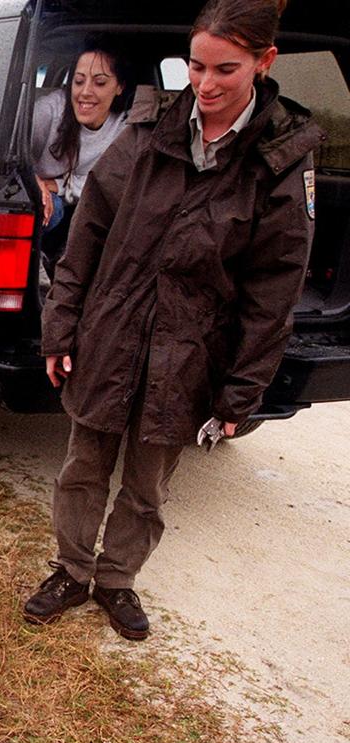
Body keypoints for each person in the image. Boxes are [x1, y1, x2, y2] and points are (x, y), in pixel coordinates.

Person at [25, 0, 323, 640]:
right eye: (196, 66)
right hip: (110, 335)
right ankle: (71, 571)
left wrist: (243, 387)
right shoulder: (148, 130)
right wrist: (62, 326)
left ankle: (116, 580)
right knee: (83, 466)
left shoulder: (279, 157)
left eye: (226, 69)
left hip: (189, 354)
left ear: (264, 63)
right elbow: (87, 236)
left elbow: (274, 288)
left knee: (147, 485)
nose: (206, 85)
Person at [31, 40, 130, 265]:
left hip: (85, 213)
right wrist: (34, 181)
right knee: (47, 207)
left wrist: (56, 184)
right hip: (46, 205)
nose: (85, 92)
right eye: (78, 81)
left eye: (100, 83)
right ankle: (34, 260)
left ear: (119, 87)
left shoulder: (123, 130)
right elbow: (12, 155)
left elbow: (111, 185)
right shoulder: (49, 111)